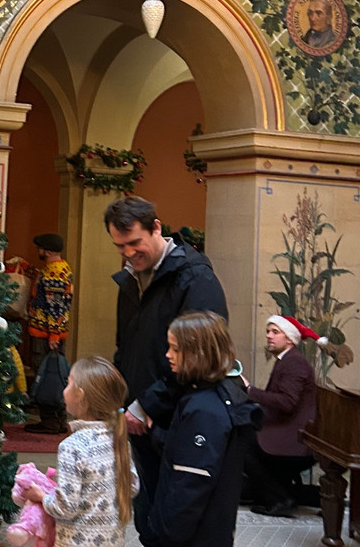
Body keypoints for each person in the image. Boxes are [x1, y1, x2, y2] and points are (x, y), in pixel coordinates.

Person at [104, 195, 228, 543]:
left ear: (156, 227)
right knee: (149, 519)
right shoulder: (129, 279)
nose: (128, 253)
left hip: (179, 421)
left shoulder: (195, 277)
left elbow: (202, 355)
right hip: (137, 421)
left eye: (134, 243)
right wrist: (122, 404)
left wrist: (147, 405)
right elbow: (125, 348)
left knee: (178, 523)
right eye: (120, 246)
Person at [142, 311, 261, 547]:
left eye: (176, 349)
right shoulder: (206, 395)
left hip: (195, 537)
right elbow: (187, 451)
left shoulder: (205, 409)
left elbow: (192, 482)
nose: (168, 355)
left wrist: (166, 534)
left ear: (200, 353)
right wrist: (155, 431)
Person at [21, 355, 138, 547]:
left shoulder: (72, 446)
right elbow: (132, 486)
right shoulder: (118, 438)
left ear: (80, 395)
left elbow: (64, 507)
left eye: (68, 383)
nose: (64, 389)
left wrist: (41, 496)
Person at [240, 315, 322, 517]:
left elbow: (287, 402)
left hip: (294, 441)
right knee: (245, 434)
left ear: (290, 339)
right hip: (288, 435)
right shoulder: (288, 359)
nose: (269, 336)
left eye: (275, 332)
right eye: (268, 331)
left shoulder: (294, 363)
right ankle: (280, 495)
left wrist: (250, 390)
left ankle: (279, 499)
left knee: (241, 444)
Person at [23, 233, 73, 433]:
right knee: (55, 375)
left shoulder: (54, 273)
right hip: (50, 333)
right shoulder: (56, 269)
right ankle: (57, 420)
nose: (39, 251)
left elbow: (55, 306)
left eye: (41, 248)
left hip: (46, 334)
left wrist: (53, 335)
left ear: (48, 251)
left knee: (46, 376)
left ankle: (50, 421)